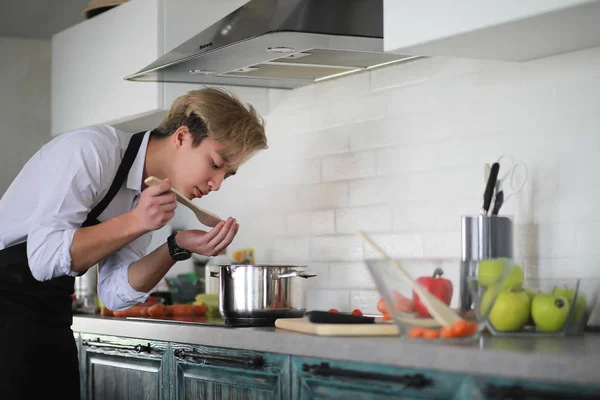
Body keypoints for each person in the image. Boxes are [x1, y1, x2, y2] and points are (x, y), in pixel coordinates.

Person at [0, 87, 267, 399]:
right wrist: (137, 221)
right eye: (215, 163)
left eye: (228, 175)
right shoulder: (91, 151)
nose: (217, 184)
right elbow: (44, 260)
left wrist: (176, 246)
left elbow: (113, 294)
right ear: (181, 137)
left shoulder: (148, 197)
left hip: (49, 313)